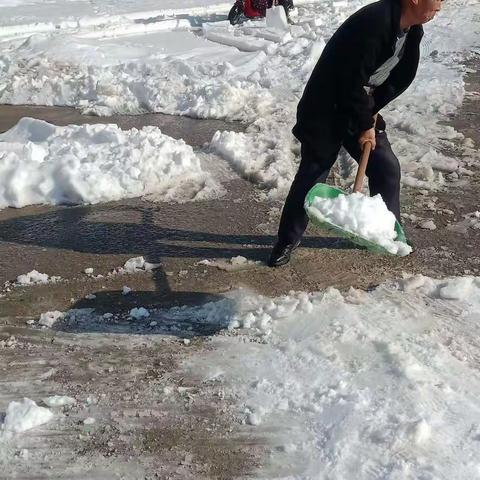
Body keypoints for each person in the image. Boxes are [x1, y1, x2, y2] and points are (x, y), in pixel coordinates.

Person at [268, 0, 443, 267]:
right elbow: (348, 81)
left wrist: (372, 112)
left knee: (386, 166)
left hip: (360, 105)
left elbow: (394, 79)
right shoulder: (375, 23)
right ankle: (286, 241)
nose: (441, 5)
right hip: (327, 105)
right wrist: (364, 125)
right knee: (314, 170)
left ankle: (386, 232)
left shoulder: (411, 30)